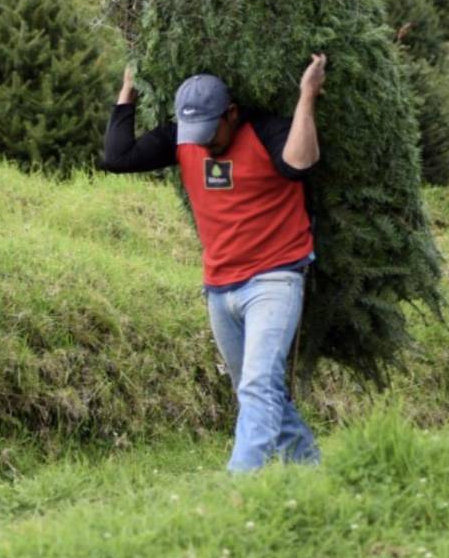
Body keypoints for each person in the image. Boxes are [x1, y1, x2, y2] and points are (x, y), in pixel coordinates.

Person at [102, 54, 326, 472]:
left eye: (210, 131)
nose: (202, 142)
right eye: (194, 132)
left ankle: (238, 487)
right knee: (255, 391)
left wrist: (307, 97)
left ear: (232, 113)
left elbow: (299, 164)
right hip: (220, 287)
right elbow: (118, 157)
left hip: (274, 279)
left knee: (259, 385)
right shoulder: (185, 138)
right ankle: (311, 471)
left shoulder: (264, 129)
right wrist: (128, 87)